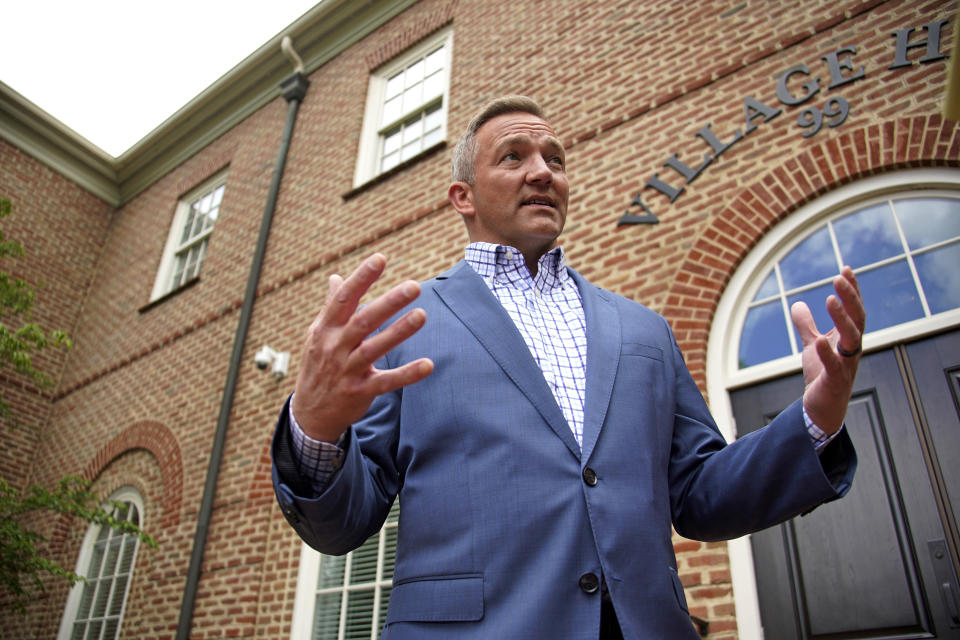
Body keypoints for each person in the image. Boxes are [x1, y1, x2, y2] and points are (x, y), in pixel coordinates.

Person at [271, 96, 864, 639]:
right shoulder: (402, 325)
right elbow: (342, 524)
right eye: (513, 156)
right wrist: (316, 430)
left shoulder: (644, 329)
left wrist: (816, 415)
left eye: (555, 158)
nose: (542, 171)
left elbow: (700, 495)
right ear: (464, 196)